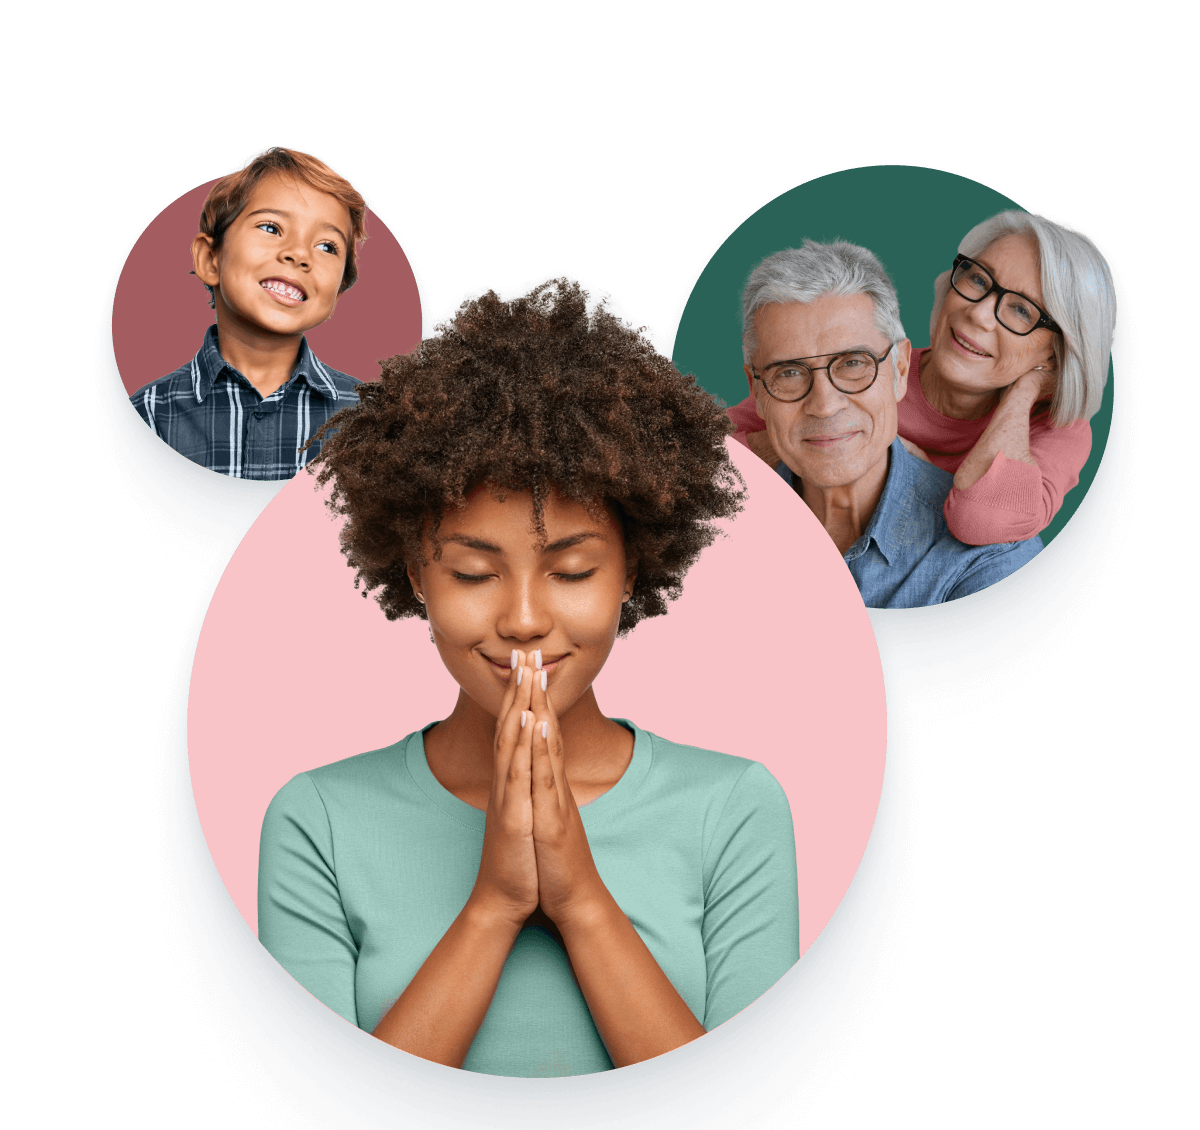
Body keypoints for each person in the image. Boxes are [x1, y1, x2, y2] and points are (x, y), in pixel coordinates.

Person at [258, 279, 801, 1078]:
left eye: (572, 570)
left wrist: (579, 898)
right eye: (474, 574)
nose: (522, 618)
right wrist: (496, 904)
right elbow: (332, 1112)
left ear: (631, 569)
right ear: (416, 573)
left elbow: (741, 1108)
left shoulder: (735, 810)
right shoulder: (318, 822)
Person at [728, 212, 1116, 545]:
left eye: (1021, 310)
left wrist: (1025, 391)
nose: (978, 314)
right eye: (979, 280)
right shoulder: (869, 365)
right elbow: (702, 452)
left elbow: (984, 520)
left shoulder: (1057, 428)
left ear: (1056, 350)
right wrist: (851, 441)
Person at [742, 241, 1042, 608]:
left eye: (854, 363)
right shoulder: (700, 530)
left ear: (900, 370)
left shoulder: (990, 557)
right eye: (788, 372)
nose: (823, 405)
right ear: (756, 390)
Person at [130, 147, 366, 479]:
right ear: (210, 260)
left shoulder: (369, 420)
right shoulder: (149, 413)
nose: (299, 254)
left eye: (327, 246)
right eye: (271, 228)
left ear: (338, 291)